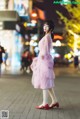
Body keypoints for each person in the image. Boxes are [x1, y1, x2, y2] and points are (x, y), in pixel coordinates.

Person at [30, 20, 59, 110]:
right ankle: (54, 101)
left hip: (44, 61)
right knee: (47, 83)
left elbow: (45, 51)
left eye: (46, 26)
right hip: (45, 60)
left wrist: (41, 57)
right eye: (44, 26)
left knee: (44, 82)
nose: (44, 27)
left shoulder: (47, 37)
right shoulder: (48, 36)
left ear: (50, 28)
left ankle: (45, 103)